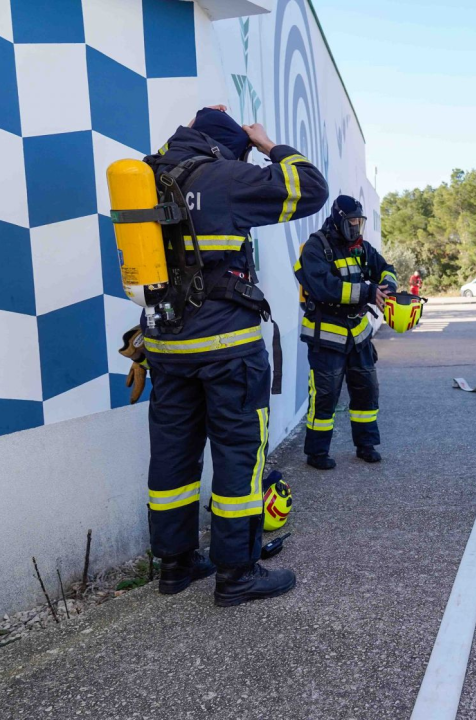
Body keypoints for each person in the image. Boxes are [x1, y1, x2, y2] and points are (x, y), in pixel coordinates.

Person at [119, 106, 328, 607]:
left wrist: (144, 350)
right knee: (238, 455)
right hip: (226, 351)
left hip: (166, 348)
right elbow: (311, 189)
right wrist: (267, 145)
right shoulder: (227, 177)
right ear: (227, 146)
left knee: (173, 454)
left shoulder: (144, 178)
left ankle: (177, 564)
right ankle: (237, 573)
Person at [295, 195, 397, 470]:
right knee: (325, 396)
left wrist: (388, 287)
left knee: (366, 391)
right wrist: (367, 291)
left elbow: (385, 268)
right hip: (326, 334)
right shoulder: (316, 246)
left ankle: (366, 444)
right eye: (351, 221)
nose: (356, 227)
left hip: (358, 333)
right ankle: (316, 453)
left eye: (359, 222)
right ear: (339, 219)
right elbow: (324, 288)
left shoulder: (360, 248)